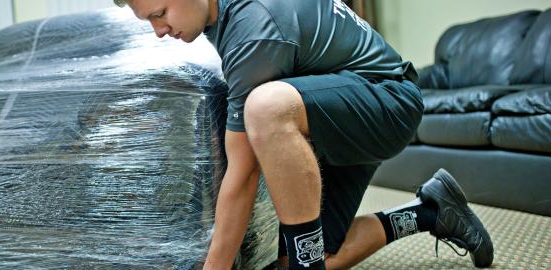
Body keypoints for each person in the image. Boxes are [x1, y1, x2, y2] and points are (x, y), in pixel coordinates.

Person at [113, 0, 494, 269]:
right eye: (149, 20)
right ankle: (432, 212)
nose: (159, 30)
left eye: (160, 14)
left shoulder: (252, 26)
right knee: (308, 254)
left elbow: (243, 173)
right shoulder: (221, 14)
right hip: (338, 112)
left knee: (264, 107)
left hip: (387, 101)